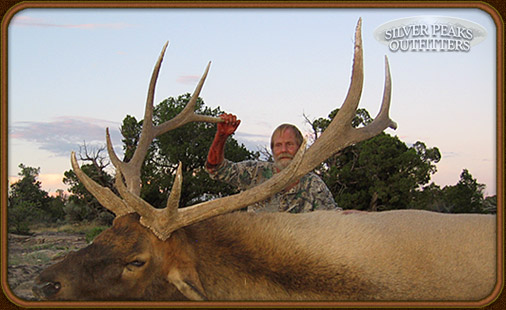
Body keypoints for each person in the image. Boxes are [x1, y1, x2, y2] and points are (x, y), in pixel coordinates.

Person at [206, 113, 341, 213]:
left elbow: (334, 219)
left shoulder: (313, 185)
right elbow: (216, 169)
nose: (283, 150)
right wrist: (221, 136)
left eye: (289, 144)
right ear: (272, 149)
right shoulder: (255, 172)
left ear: (301, 148)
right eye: (278, 145)